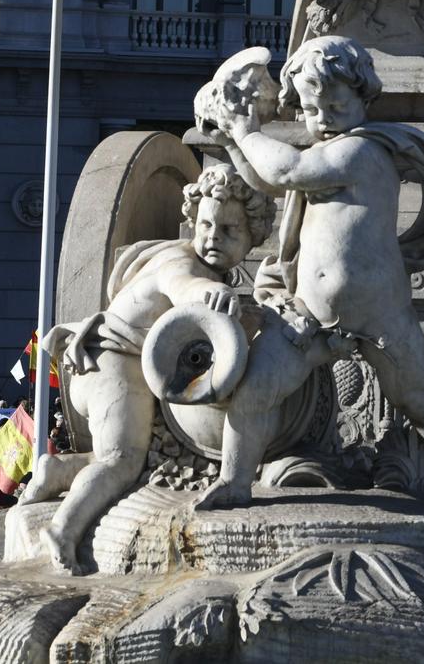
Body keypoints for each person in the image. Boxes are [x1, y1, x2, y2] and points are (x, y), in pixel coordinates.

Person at [211, 36, 424, 508]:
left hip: (380, 316)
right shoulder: (325, 155)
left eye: (336, 104)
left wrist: (244, 131)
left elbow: (288, 170)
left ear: (364, 97)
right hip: (308, 315)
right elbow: (265, 180)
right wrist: (232, 142)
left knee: (422, 402)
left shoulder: (359, 152)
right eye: (312, 110)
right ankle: (234, 483)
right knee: (255, 391)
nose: (324, 117)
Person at [19, 162, 275, 572]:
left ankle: (59, 469)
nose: (212, 237)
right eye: (206, 224)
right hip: (111, 364)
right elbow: (184, 287)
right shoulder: (185, 264)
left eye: (230, 231)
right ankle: (63, 529)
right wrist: (213, 291)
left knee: (125, 457)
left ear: (254, 237)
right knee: (122, 459)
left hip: (114, 365)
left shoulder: (194, 262)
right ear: (192, 220)